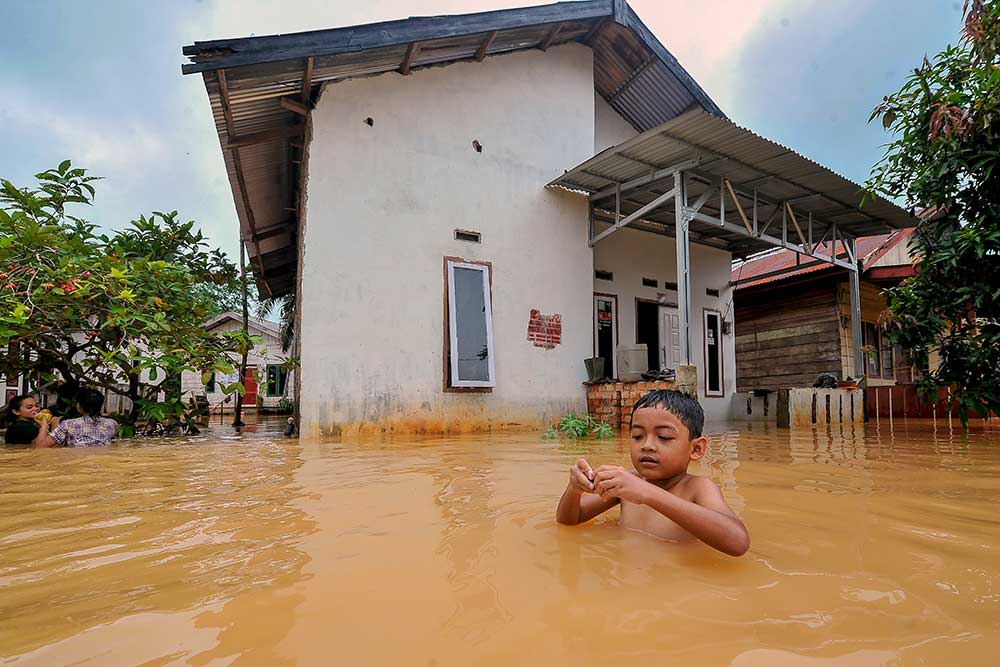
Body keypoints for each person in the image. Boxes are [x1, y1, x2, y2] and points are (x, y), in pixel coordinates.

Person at [556, 389, 750, 557]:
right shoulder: (628, 482)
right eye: (637, 436)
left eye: (664, 437)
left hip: (675, 589)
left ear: (696, 449)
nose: (647, 445)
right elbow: (569, 520)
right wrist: (575, 490)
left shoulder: (698, 488)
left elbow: (738, 542)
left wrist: (648, 493)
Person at [36, 387, 117, 448]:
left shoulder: (68, 424)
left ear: (79, 406)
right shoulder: (112, 424)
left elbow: (41, 447)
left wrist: (44, 426)